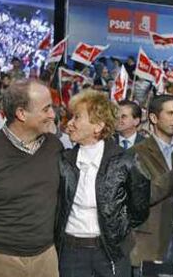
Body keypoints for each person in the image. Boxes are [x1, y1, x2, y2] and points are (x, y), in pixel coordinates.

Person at [0, 79, 62, 277]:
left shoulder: (55, 147)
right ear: (21, 114)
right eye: (46, 109)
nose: (52, 115)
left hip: (45, 258)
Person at [56, 89, 150, 277]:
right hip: (70, 253)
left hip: (110, 253)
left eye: (77, 117)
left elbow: (139, 208)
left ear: (98, 126)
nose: (70, 124)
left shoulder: (125, 161)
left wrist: (116, 231)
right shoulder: (63, 161)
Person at [130, 95, 173, 274]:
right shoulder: (136, 153)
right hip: (152, 244)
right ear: (153, 118)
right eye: (171, 113)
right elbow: (144, 195)